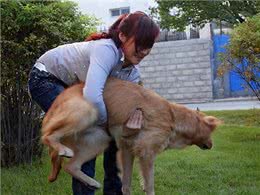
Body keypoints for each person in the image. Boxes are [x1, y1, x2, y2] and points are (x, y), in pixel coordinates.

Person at [28, 11, 159, 195]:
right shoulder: (106, 49)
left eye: (149, 45)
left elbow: (129, 108)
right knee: (88, 133)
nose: (145, 51)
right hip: (46, 79)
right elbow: (93, 96)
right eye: (141, 43)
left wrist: (132, 121)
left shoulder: (133, 73)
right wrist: (106, 125)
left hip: (75, 91)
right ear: (122, 36)